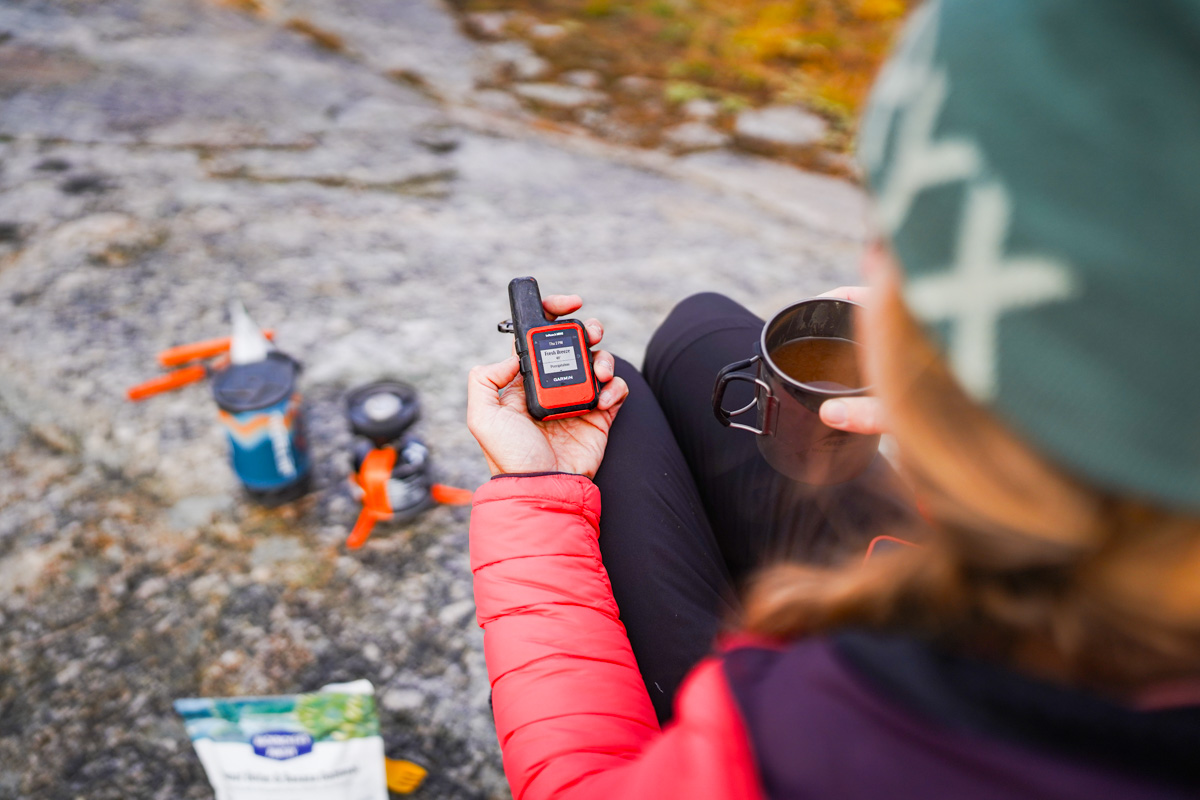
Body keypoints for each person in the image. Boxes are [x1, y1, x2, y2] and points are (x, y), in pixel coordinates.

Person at [465, 1, 1200, 798]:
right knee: (701, 331)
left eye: (905, 246)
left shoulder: (832, 735)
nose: (873, 268)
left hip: (844, 672)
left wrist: (534, 503)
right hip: (1017, 530)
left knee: (619, 424)